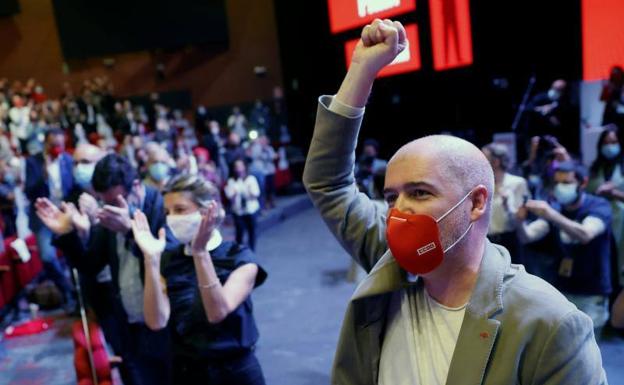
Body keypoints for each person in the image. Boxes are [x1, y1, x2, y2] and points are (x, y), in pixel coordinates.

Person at [302, 19, 606, 384]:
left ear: (477, 203)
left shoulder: (550, 322)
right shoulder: (394, 263)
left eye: (419, 193)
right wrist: (361, 71)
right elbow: (328, 182)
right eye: (390, 197)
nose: (399, 211)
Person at [36, 154, 173, 385]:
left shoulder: (163, 207)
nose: (112, 209)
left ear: (137, 187)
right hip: (129, 325)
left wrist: (130, 229)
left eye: (118, 201)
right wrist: (67, 233)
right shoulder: (109, 213)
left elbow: (172, 259)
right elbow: (91, 264)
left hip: (166, 326)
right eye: (105, 202)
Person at [130, 174, 267, 384]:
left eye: (180, 209)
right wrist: (151, 259)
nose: (172, 218)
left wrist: (200, 252)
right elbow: (156, 321)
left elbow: (216, 312)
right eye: (168, 212)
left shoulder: (239, 258)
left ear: (207, 210)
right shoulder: (170, 259)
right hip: (188, 372)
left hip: (235, 372)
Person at [518, 161, 613, 336]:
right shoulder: (556, 208)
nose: (560, 187)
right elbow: (528, 236)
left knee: (589, 347)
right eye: (557, 182)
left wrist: (550, 214)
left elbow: (585, 234)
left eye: (567, 183)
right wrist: (517, 219)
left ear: (582, 183)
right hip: (563, 287)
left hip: (591, 290)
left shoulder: (598, 206)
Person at [24, 128, 75, 309]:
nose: (57, 148)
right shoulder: (33, 162)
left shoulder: (68, 160)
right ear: (46, 143)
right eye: (54, 145)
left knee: (73, 257)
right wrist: (43, 176)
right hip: (43, 217)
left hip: (65, 213)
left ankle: (76, 296)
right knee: (47, 257)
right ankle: (68, 290)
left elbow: (73, 188)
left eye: (60, 145)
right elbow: (28, 191)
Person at [588, 125, 624, 288]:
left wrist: (615, 193)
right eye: (606, 143)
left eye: (614, 142)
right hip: (600, 224)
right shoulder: (594, 169)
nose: (610, 146)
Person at [481, 143, 528, 264]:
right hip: (487, 243)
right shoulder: (481, 185)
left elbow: (519, 219)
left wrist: (507, 205)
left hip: (510, 240)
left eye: (483, 157)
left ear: (496, 162)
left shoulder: (517, 183)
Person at [225, 159, 261, 251]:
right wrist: (234, 193)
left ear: (244, 167)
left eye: (240, 166)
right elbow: (230, 197)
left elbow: (256, 194)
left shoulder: (250, 179)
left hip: (250, 210)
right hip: (238, 211)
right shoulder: (231, 181)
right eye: (236, 167)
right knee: (239, 233)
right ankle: (239, 252)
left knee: (252, 232)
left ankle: (252, 251)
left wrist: (248, 190)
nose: (239, 169)